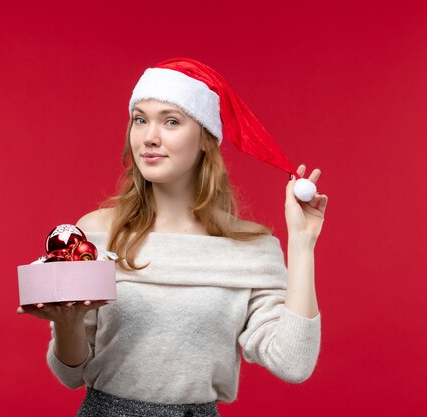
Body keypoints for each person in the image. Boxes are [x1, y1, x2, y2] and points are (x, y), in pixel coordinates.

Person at [17, 57, 328, 417]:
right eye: (140, 120)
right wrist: (66, 323)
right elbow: (70, 373)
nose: (150, 137)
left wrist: (303, 244)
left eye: (171, 121)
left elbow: (293, 363)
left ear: (204, 141)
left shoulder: (250, 251)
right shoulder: (97, 233)